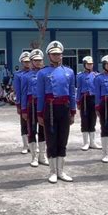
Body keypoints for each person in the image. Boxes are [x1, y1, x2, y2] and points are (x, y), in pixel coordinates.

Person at [37, 41, 76, 184]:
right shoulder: (43, 72)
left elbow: (72, 93)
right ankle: (52, 172)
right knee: (51, 140)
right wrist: (40, 113)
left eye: (59, 54)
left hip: (64, 108)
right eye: (54, 54)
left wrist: (73, 111)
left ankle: (61, 170)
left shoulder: (69, 71)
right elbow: (40, 95)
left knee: (63, 139)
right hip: (50, 108)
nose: (57, 56)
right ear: (49, 55)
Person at [21, 49, 49, 167]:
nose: (38, 62)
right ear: (31, 61)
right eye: (35, 60)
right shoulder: (26, 76)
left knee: (43, 130)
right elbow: (22, 93)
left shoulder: (47, 73)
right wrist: (23, 109)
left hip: (44, 104)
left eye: (40, 60)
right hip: (31, 104)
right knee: (32, 130)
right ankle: (34, 157)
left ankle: (42, 156)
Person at [76, 56, 102, 151]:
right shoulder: (80, 76)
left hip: (93, 99)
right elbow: (78, 89)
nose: (90, 65)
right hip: (84, 99)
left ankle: (93, 142)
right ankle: (86, 142)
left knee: (93, 119)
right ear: (84, 64)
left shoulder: (96, 75)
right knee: (85, 119)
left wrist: (98, 102)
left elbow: (99, 90)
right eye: (88, 64)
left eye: (91, 64)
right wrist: (78, 101)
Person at [12, 52, 31, 154]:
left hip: (34, 101)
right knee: (24, 123)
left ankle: (33, 144)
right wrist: (18, 105)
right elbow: (17, 91)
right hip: (24, 102)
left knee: (34, 123)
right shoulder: (18, 75)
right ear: (22, 62)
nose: (27, 63)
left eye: (28, 61)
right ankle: (25, 145)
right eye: (25, 62)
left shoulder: (36, 73)